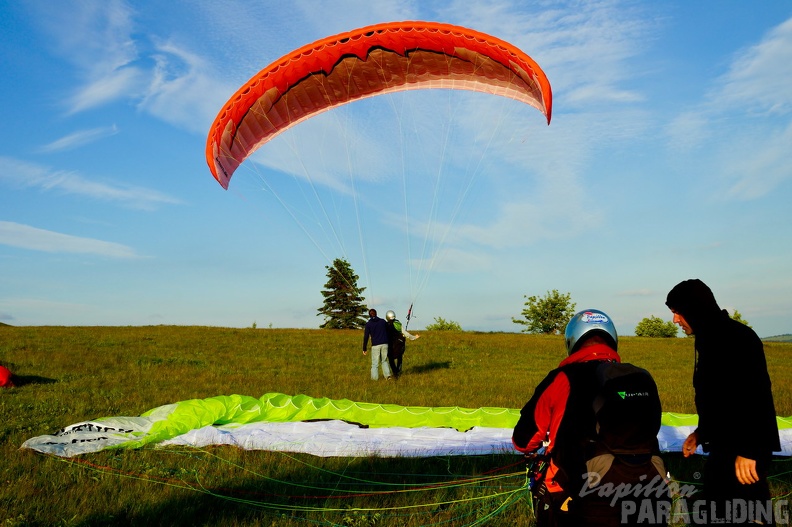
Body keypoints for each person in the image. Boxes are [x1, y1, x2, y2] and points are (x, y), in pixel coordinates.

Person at [512, 309, 668, 527]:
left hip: (583, 498)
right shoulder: (641, 376)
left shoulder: (562, 379)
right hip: (650, 490)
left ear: (573, 341)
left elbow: (523, 441)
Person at [666, 279, 780, 525]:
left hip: (745, 450)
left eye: (677, 312)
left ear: (694, 308)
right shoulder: (709, 339)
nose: (675, 320)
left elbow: (756, 395)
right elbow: (720, 398)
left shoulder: (737, 338)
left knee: (749, 513)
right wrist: (701, 432)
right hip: (724, 446)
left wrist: (749, 451)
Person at [385, 309, 419, 378]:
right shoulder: (398, 324)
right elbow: (406, 333)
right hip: (399, 344)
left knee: (391, 360)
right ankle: (399, 371)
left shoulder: (385, 325)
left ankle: (395, 373)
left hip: (390, 345)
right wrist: (414, 337)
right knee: (399, 358)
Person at [362, 308, 392, 380]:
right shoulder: (382, 321)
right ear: (376, 313)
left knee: (375, 363)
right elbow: (389, 330)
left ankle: (374, 379)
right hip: (385, 343)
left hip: (375, 345)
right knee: (384, 360)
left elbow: (366, 336)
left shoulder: (368, 324)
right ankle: (388, 376)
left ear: (369, 315)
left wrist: (364, 348)